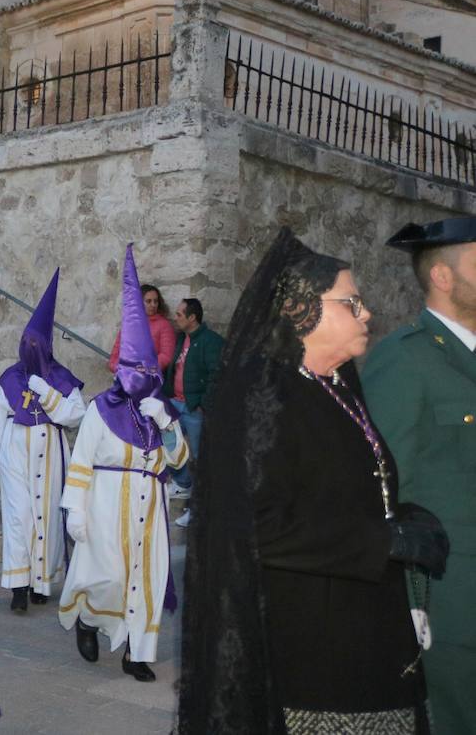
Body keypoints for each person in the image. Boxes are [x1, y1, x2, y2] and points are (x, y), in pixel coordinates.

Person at [176, 227, 448, 734]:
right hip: (316, 647)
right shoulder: (262, 396)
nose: (367, 313)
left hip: (373, 628)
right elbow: (257, 527)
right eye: (352, 302)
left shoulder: (340, 387)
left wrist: (402, 519)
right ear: (303, 310)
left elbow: (349, 488)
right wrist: (383, 540)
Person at [363, 216, 476, 734]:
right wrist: (407, 606)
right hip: (453, 601)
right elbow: (381, 492)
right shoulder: (404, 361)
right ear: (444, 277)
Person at [59, 245, 187, 683]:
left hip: (151, 504)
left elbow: (181, 458)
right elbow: (81, 460)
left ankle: (138, 652)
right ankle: (89, 620)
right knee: (109, 574)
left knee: (147, 577)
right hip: (107, 502)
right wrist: (75, 509)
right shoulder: (100, 410)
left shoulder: (159, 408)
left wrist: (168, 425)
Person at [0, 269, 86, 614]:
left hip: (51, 453)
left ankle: (42, 582)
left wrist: (48, 394)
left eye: (36, 345)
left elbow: (76, 416)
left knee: (47, 517)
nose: (30, 349)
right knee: (18, 517)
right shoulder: (9, 380)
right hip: (15, 453)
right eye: (25, 343)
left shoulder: (61, 378)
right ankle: (18, 584)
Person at [165, 296, 225, 525]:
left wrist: (202, 404)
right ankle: (182, 483)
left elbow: (216, 375)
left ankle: (198, 508)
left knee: (201, 459)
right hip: (176, 404)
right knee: (167, 442)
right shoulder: (182, 339)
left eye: (180, 314)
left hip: (195, 408)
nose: (175, 317)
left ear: (192, 318)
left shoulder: (211, 342)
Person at [106, 283, 175, 374]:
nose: (153, 305)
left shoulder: (164, 325)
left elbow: (166, 356)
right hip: (126, 380)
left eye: (156, 301)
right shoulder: (129, 324)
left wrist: (145, 369)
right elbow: (114, 356)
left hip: (150, 380)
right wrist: (120, 369)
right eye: (148, 301)